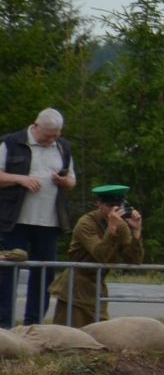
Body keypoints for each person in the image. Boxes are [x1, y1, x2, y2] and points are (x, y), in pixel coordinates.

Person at [0, 108, 78, 327]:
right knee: (8, 271)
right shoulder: (11, 143)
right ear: (36, 126)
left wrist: (64, 182)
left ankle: (33, 324)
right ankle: (3, 325)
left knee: (44, 273)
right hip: (13, 221)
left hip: (49, 222)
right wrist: (20, 179)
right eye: (48, 134)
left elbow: (72, 180)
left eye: (56, 134)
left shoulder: (63, 147)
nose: (52, 139)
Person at [45, 185, 145, 327]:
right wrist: (111, 229)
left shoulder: (121, 225)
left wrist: (136, 231)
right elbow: (101, 255)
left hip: (97, 288)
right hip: (75, 290)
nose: (114, 210)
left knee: (100, 336)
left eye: (118, 206)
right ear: (99, 204)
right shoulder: (86, 223)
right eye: (109, 205)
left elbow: (134, 260)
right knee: (69, 338)